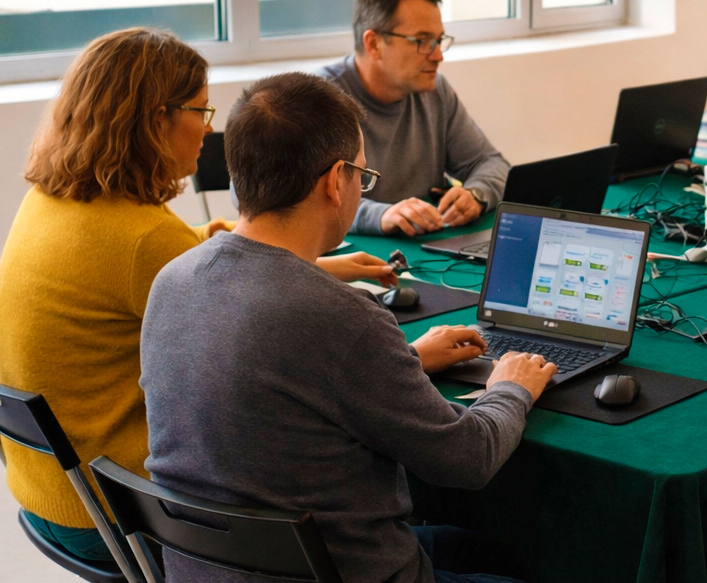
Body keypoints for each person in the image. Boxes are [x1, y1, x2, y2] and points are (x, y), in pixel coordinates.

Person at [140, 72, 556, 583]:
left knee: (484, 551)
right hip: (335, 571)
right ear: (335, 180)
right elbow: (468, 458)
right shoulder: (342, 316)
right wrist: (511, 387)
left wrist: (408, 358)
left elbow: (288, 382)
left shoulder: (171, 280)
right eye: (363, 174)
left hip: (211, 571)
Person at [0, 29, 396, 563]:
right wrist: (409, 357)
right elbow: (266, 339)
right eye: (202, 111)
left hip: (50, 495)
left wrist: (317, 262)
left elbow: (184, 253)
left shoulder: (54, 202)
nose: (210, 130)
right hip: (123, 517)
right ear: (155, 119)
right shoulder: (141, 240)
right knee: (328, 464)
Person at [316, 0, 509, 237]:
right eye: (421, 41)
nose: (438, 56)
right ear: (374, 44)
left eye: (439, 41)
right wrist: (381, 215)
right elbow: (301, 201)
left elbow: (490, 163)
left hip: (428, 243)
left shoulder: (435, 90)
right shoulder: (321, 98)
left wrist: (476, 194)